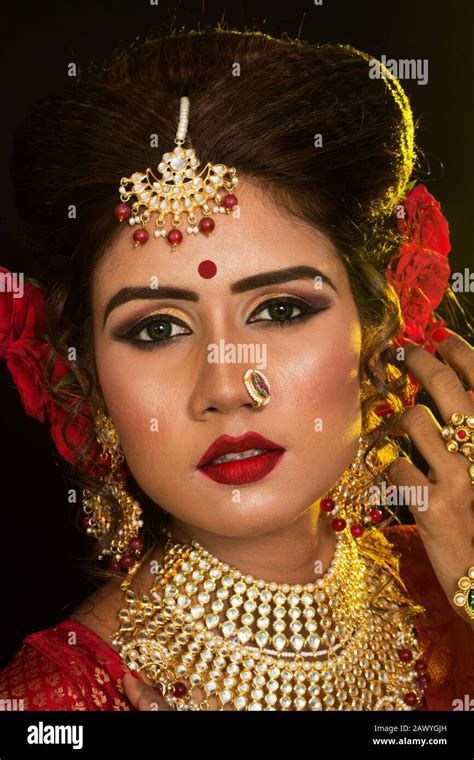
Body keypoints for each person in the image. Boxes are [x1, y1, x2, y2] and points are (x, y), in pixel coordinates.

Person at [0, 28, 472, 712]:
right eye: (158, 328)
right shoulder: (57, 702)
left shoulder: (448, 583)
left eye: (279, 311)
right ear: (89, 381)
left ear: (381, 334)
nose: (226, 386)